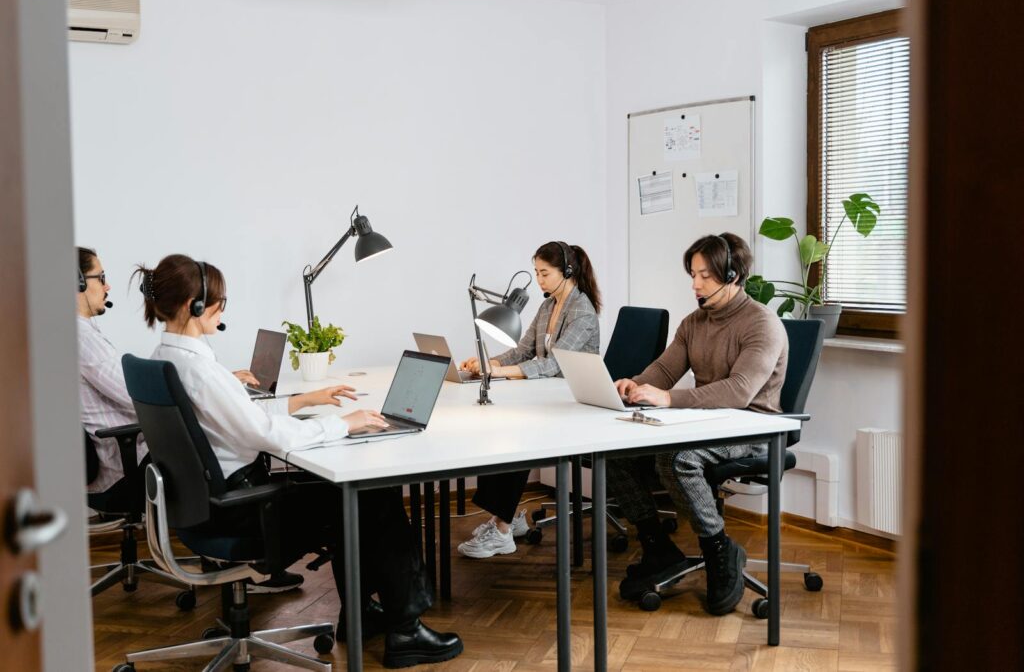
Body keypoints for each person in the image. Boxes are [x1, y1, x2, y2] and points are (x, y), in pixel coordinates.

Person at [134, 254, 462, 667]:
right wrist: (341, 425)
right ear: (193, 306)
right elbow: (262, 434)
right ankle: (406, 630)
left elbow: (246, 418)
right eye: (219, 301)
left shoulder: (166, 357)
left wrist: (304, 404)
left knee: (345, 491)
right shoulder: (199, 369)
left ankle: (361, 616)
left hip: (206, 506)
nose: (222, 308)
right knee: (370, 494)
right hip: (242, 513)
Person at [76, 247, 303, 594]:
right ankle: (252, 565)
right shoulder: (80, 337)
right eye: (100, 277)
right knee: (233, 444)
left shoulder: (142, 351)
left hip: (148, 471)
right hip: (123, 465)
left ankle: (239, 567)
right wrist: (211, 384)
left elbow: (160, 386)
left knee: (220, 437)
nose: (107, 286)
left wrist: (220, 384)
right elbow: (138, 390)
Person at [609, 233, 788, 616]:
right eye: (693, 274)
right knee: (615, 452)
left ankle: (719, 549)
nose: (695, 284)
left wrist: (669, 398)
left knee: (678, 459)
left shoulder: (761, 323)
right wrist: (636, 385)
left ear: (734, 275)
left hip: (752, 429)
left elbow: (740, 392)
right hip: (705, 424)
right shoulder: (694, 322)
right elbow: (665, 369)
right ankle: (657, 546)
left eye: (705, 276)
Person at [456, 241, 601, 559]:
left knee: (515, 435)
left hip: (574, 404)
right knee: (498, 423)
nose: (539, 280)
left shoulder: (583, 312)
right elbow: (522, 351)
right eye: (536, 272)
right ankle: (503, 518)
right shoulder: (549, 306)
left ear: (567, 271)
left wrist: (501, 373)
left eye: (545, 273)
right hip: (546, 398)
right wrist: (488, 364)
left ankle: (503, 530)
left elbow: (554, 364)